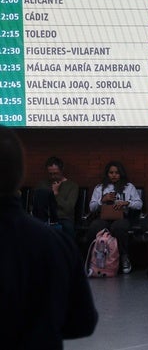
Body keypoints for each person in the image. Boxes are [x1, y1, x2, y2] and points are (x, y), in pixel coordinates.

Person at [0, 126, 98, 348]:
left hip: (62, 219)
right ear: (19, 176)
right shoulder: (56, 244)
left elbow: (67, 209)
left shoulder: (69, 187)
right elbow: (82, 322)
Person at [87, 160, 142, 274]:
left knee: (119, 227)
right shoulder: (100, 187)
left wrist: (126, 203)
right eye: (111, 172)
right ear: (107, 174)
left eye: (117, 172)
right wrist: (103, 200)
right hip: (104, 217)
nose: (114, 175)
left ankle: (124, 257)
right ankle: (93, 260)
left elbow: (139, 204)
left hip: (122, 217)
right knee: (95, 226)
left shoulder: (129, 187)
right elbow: (92, 207)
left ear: (121, 174)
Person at [34, 156, 79, 237]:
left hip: (63, 219)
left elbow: (69, 208)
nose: (53, 176)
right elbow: (35, 204)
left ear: (62, 170)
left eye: (56, 173)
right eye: (50, 174)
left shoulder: (72, 186)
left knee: (67, 227)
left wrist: (56, 193)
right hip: (44, 218)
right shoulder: (42, 184)